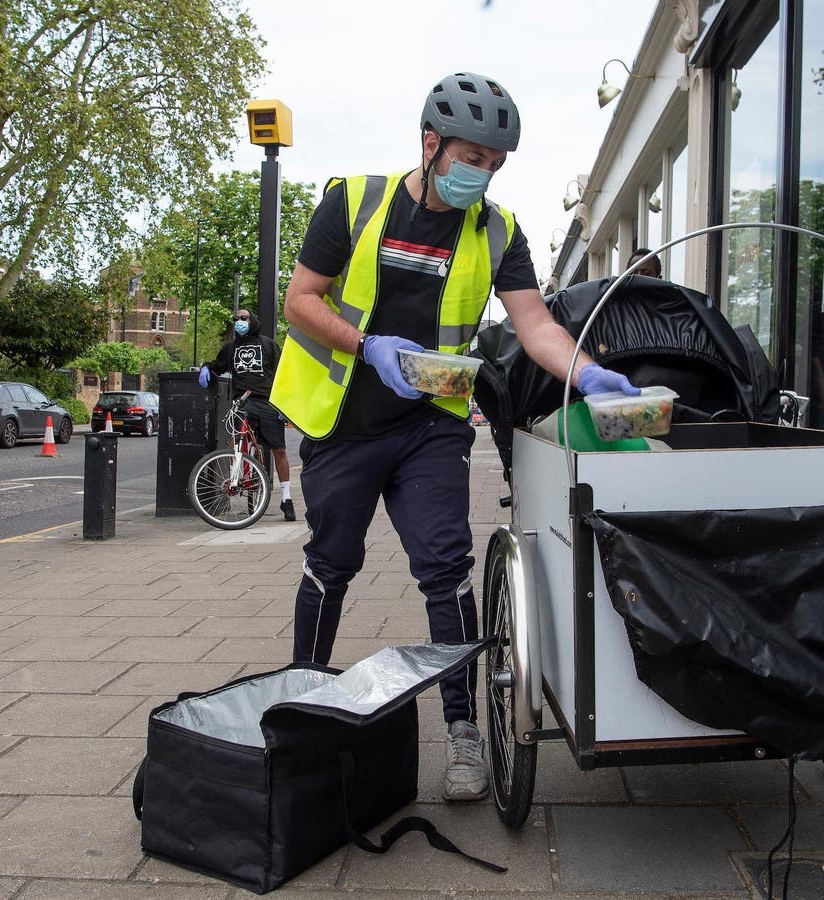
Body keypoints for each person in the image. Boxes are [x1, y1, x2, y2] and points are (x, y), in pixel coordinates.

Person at [271, 72, 638, 801]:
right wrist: (366, 345)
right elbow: (298, 300)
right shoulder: (354, 201)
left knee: (446, 568)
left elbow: (535, 325)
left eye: (496, 163)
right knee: (332, 562)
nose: (484, 173)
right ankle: (301, 700)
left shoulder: (498, 231)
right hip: (344, 420)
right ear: (431, 143)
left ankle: (466, 729)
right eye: (473, 157)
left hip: (430, 427)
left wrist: (591, 374)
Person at [198, 309, 295, 521]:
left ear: (252, 321)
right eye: (236, 319)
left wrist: (284, 405)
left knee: (278, 449)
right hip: (242, 401)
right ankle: (237, 473)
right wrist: (206, 368)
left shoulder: (268, 345)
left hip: (268, 402)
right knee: (237, 438)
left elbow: (283, 372)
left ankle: (286, 498)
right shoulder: (231, 348)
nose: (239, 322)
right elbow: (217, 366)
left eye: (244, 318)